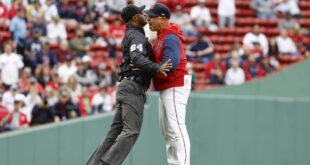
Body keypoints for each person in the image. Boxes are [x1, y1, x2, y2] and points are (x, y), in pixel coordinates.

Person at [87, 4, 172, 165]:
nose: (144, 15)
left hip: (127, 85)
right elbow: (136, 57)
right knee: (131, 130)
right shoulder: (136, 35)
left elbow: (136, 58)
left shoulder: (134, 34)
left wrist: (144, 64)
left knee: (115, 133)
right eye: (140, 13)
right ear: (134, 18)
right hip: (133, 87)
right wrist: (156, 67)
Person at [145, 3, 191, 165]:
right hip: (166, 87)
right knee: (167, 131)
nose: (148, 19)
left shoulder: (170, 36)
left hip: (175, 85)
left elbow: (171, 64)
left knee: (176, 128)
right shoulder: (161, 36)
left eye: (152, 17)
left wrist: (152, 68)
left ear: (163, 19)